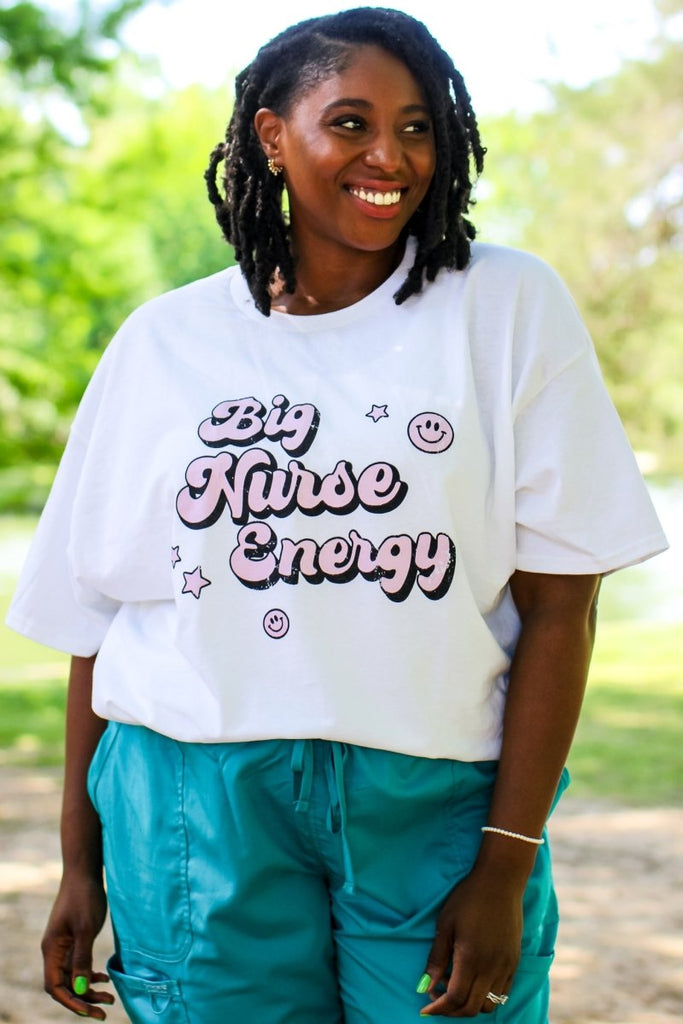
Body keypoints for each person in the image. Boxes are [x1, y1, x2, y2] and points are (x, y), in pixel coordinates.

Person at [7, 8, 667, 1023]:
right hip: (193, 800)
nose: (388, 157)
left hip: (433, 804)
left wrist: (504, 860)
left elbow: (559, 608)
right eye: (350, 122)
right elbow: (101, 619)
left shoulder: (506, 308)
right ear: (271, 135)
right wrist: (79, 862)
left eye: (415, 128)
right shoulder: (163, 343)